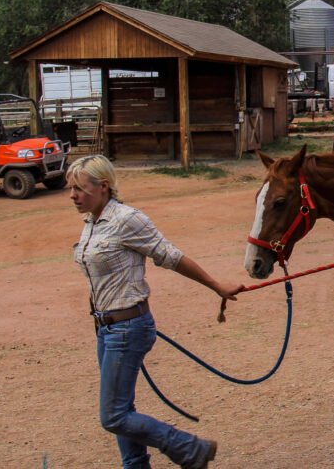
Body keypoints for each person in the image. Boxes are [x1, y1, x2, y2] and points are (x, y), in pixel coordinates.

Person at [68, 155, 243, 468]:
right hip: (106, 329)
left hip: (128, 328)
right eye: (71, 188)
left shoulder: (127, 219)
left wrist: (216, 286)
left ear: (103, 187)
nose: (73, 195)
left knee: (113, 416)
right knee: (123, 408)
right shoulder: (91, 223)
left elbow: (172, 257)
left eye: (79, 188)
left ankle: (190, 448)